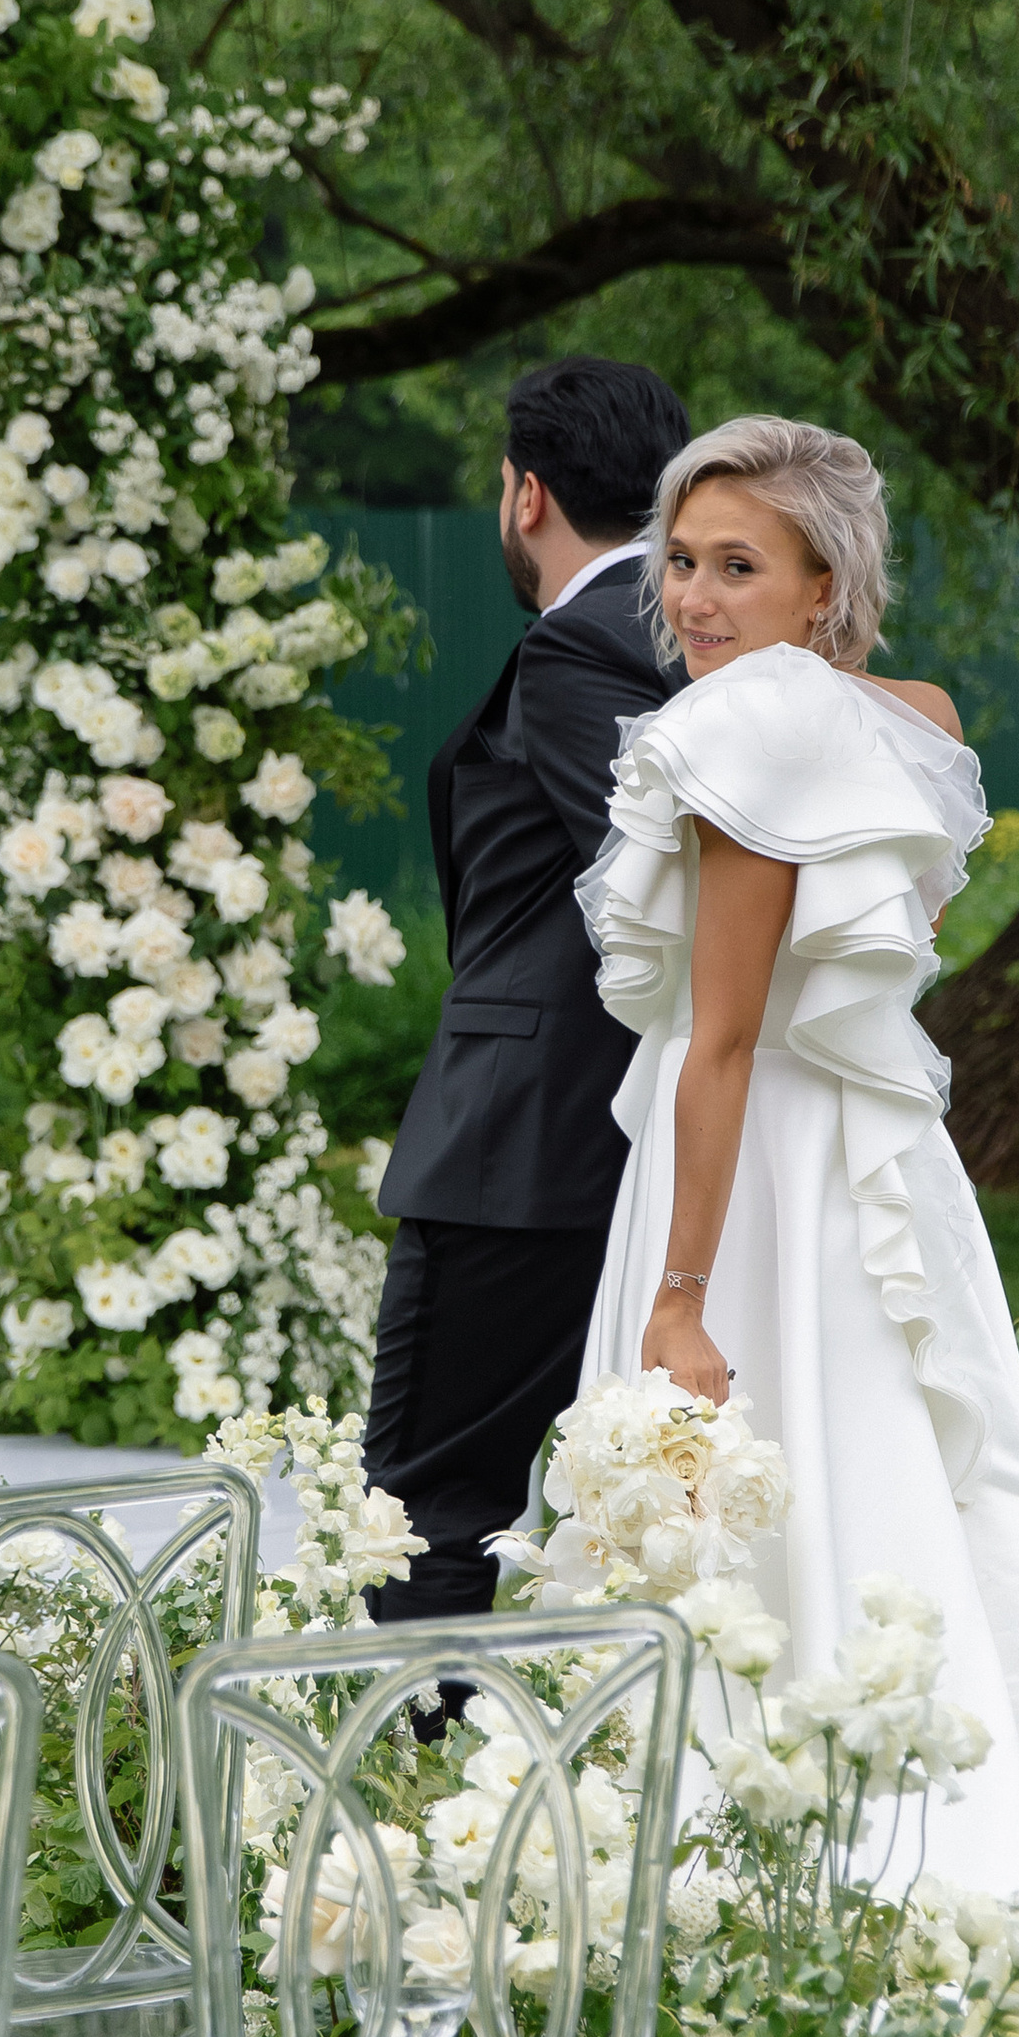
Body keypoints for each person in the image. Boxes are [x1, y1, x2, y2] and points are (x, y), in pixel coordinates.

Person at [576, 413, 1019, 1915]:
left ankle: (786, 1883)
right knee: (929, 1494)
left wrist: (678, 1295)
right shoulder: (903, 717)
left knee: (759, 1509)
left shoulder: (749, 731)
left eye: (740, 567)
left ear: (825, 586)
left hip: (754, 1186)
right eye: (678, 563)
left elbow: (722, 1045)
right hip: (884, 1170)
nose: (693, 600)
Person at [365, 355, 689, 1621]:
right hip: (631, 1139)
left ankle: (409, 1794)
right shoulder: (702, 639)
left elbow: (652, 881)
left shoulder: (576, 649)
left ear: (526, 497)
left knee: (423, 1508)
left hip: (518, 1155)